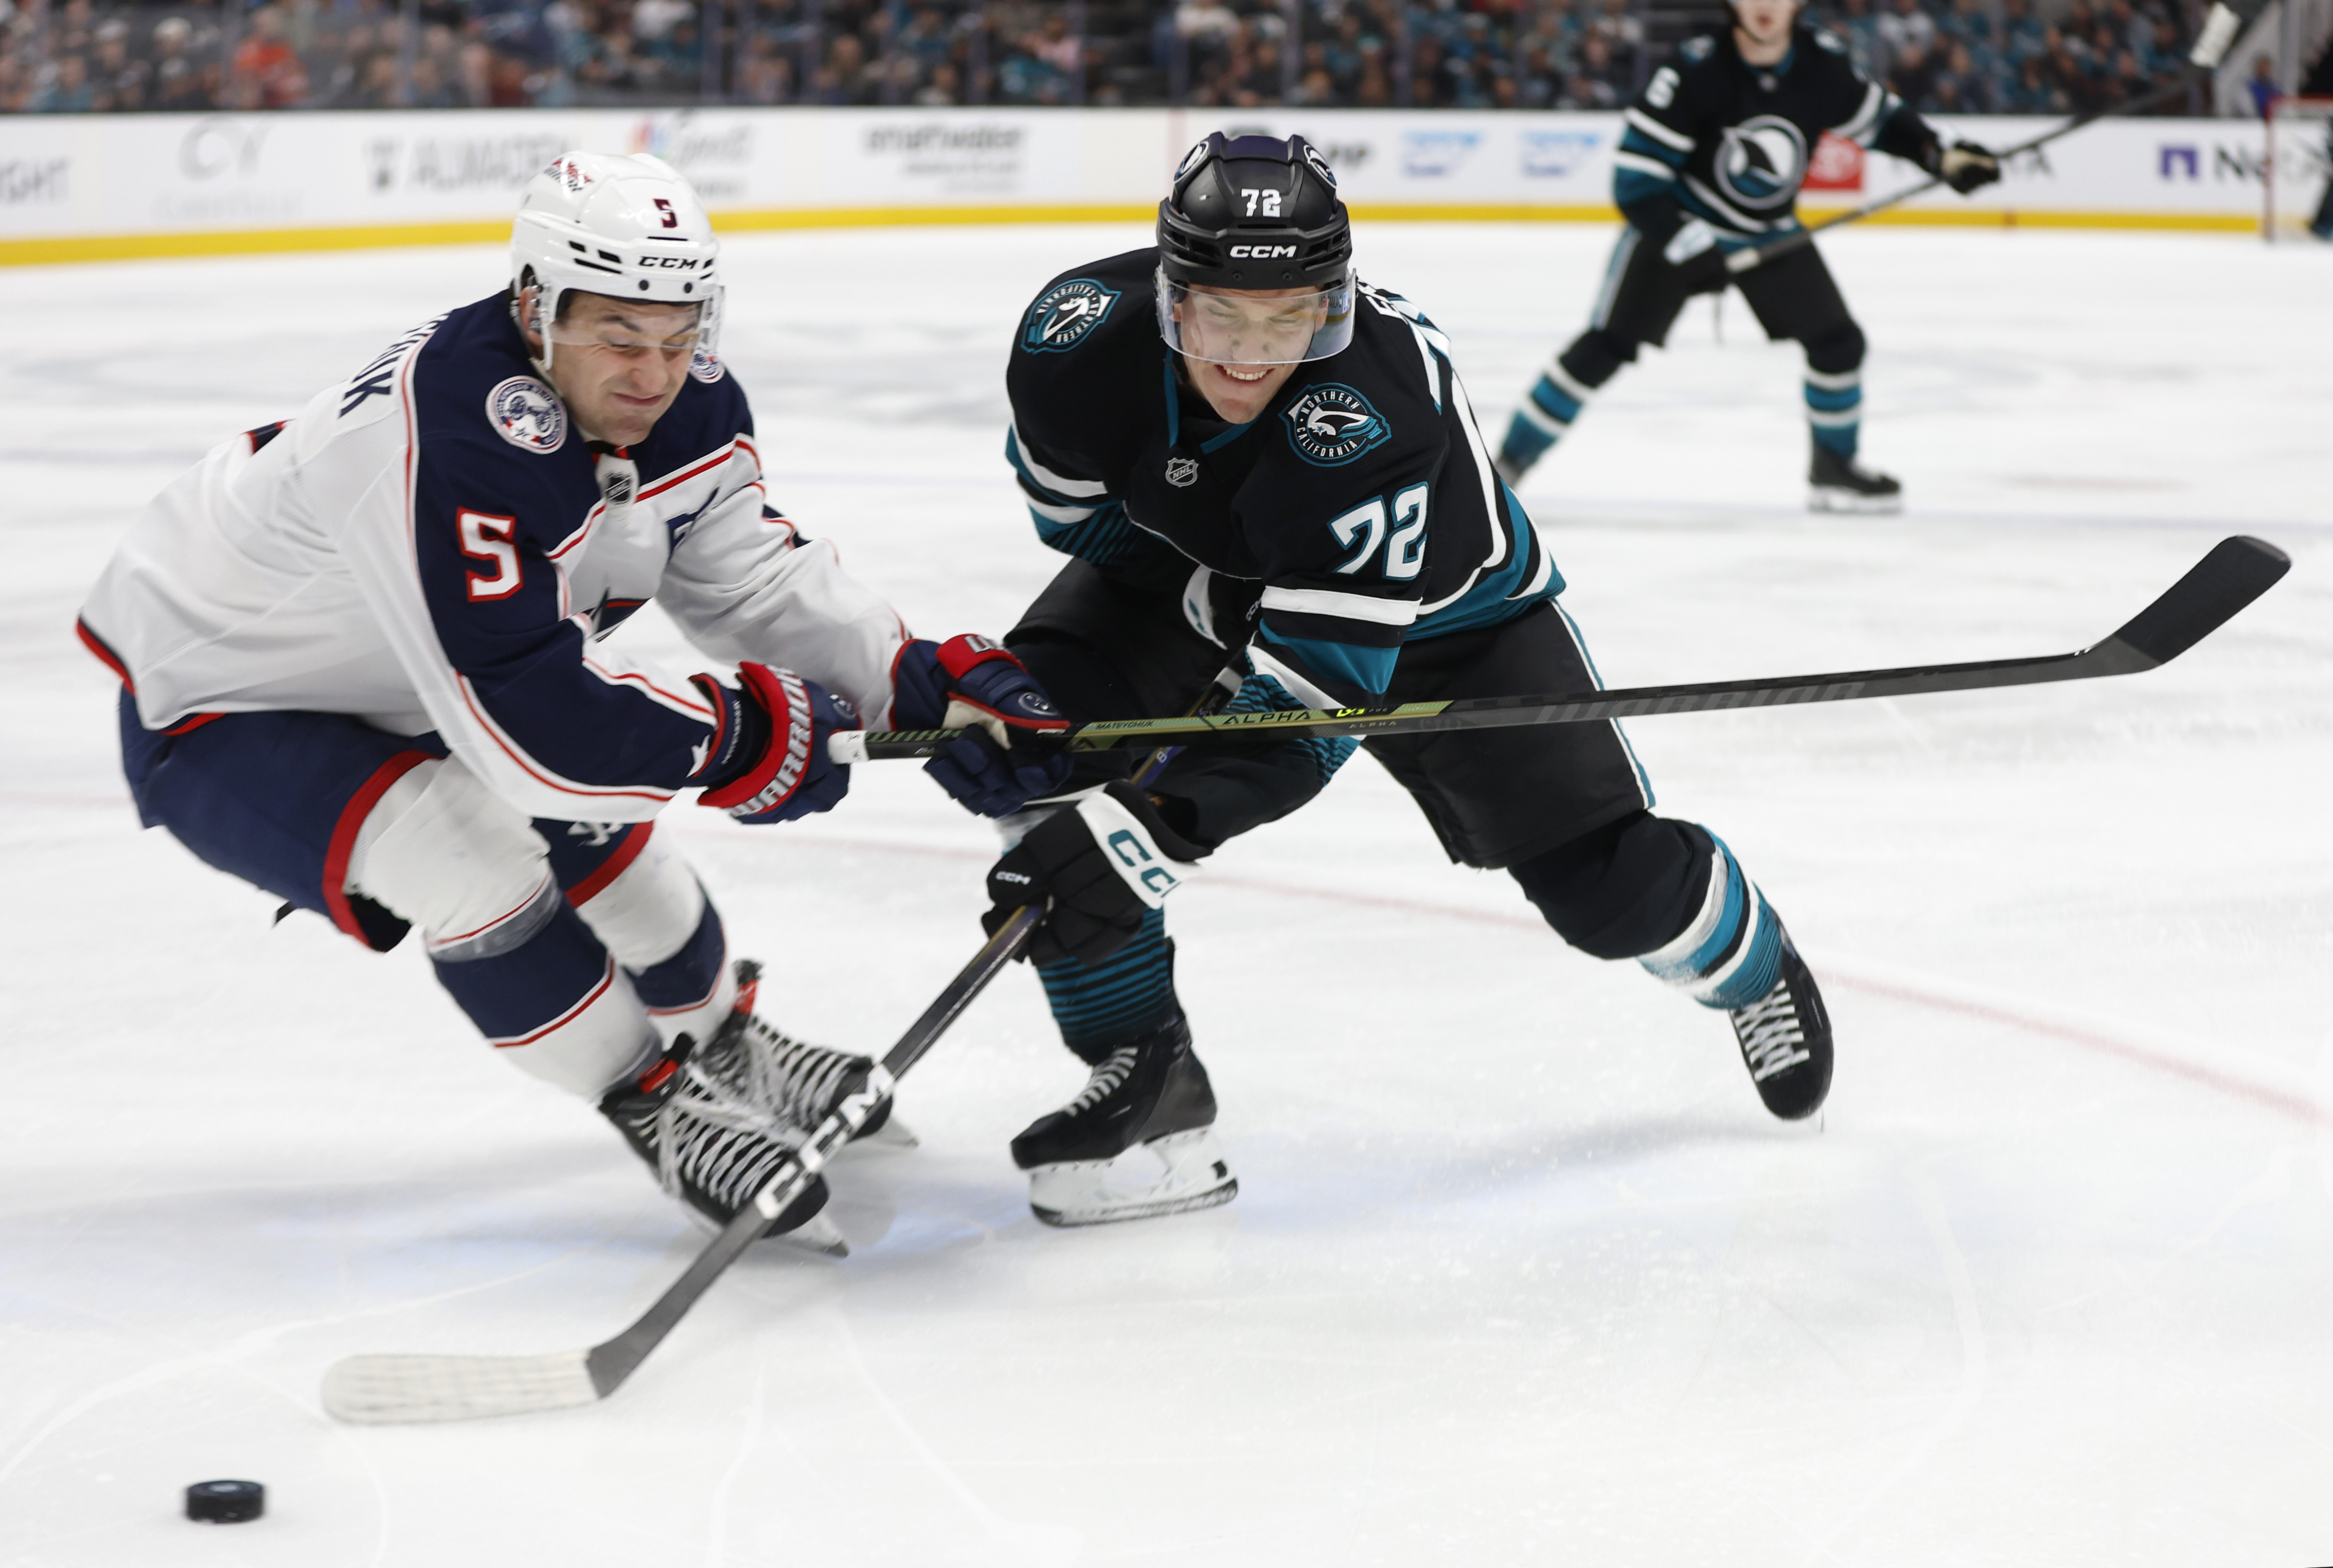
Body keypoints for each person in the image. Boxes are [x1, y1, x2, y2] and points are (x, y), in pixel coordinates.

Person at [77, 152, 1068, 1253]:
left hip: (406, 672)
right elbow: (527, 730)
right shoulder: (445, 433)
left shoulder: (687, 397)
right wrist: (743, 734)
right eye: (616, 336)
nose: (653, 375)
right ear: (533, 308)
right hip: (223, 701)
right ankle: (651, 1098)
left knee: (616, 851)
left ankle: (721, 1045)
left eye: (678, 334)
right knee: (467, 855)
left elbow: (751, 582)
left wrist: (914, 682)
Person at [976, 133, 1836, 1230]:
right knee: (1036, 737)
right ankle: (1148, 1087)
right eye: (1219, 316)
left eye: (1288, 315)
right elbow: (1088, 527)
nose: (1249, 355)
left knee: (1603, 892)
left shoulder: (1376, 408)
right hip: (1208, 575)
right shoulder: (1069, 346)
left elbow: (1310, 711)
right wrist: (1137, 688)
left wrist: (1152, 820)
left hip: (1450, 620)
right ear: (1165, 295)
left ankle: (1743, 956)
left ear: (1330, 303)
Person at [1492, 0, 2003, 512]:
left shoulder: (1821, 66)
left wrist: (1940, 155)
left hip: (1765, 234)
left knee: (1837, 345)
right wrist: (1688, 245)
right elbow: (1636, 184)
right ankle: (1501, 470)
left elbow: (1884, 123)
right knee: (1603, 349)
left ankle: (1833, 467)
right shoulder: (1694, 71)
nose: (1764, 5)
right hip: (1675, 225)